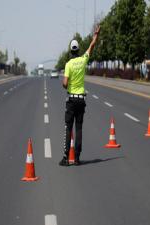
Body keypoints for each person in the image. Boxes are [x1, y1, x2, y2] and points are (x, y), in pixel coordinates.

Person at [59, 25, 101, 166]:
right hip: (81, 100)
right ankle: (77, 158)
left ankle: (66, 158)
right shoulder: (83, 60)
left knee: (68, 128)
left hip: (71, 100)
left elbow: (65, 83)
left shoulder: (68, 64)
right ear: (78, 50)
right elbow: (92, 45)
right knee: (79, 128)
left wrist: (66, 83)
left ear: (70, 50)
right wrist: (96, 35)